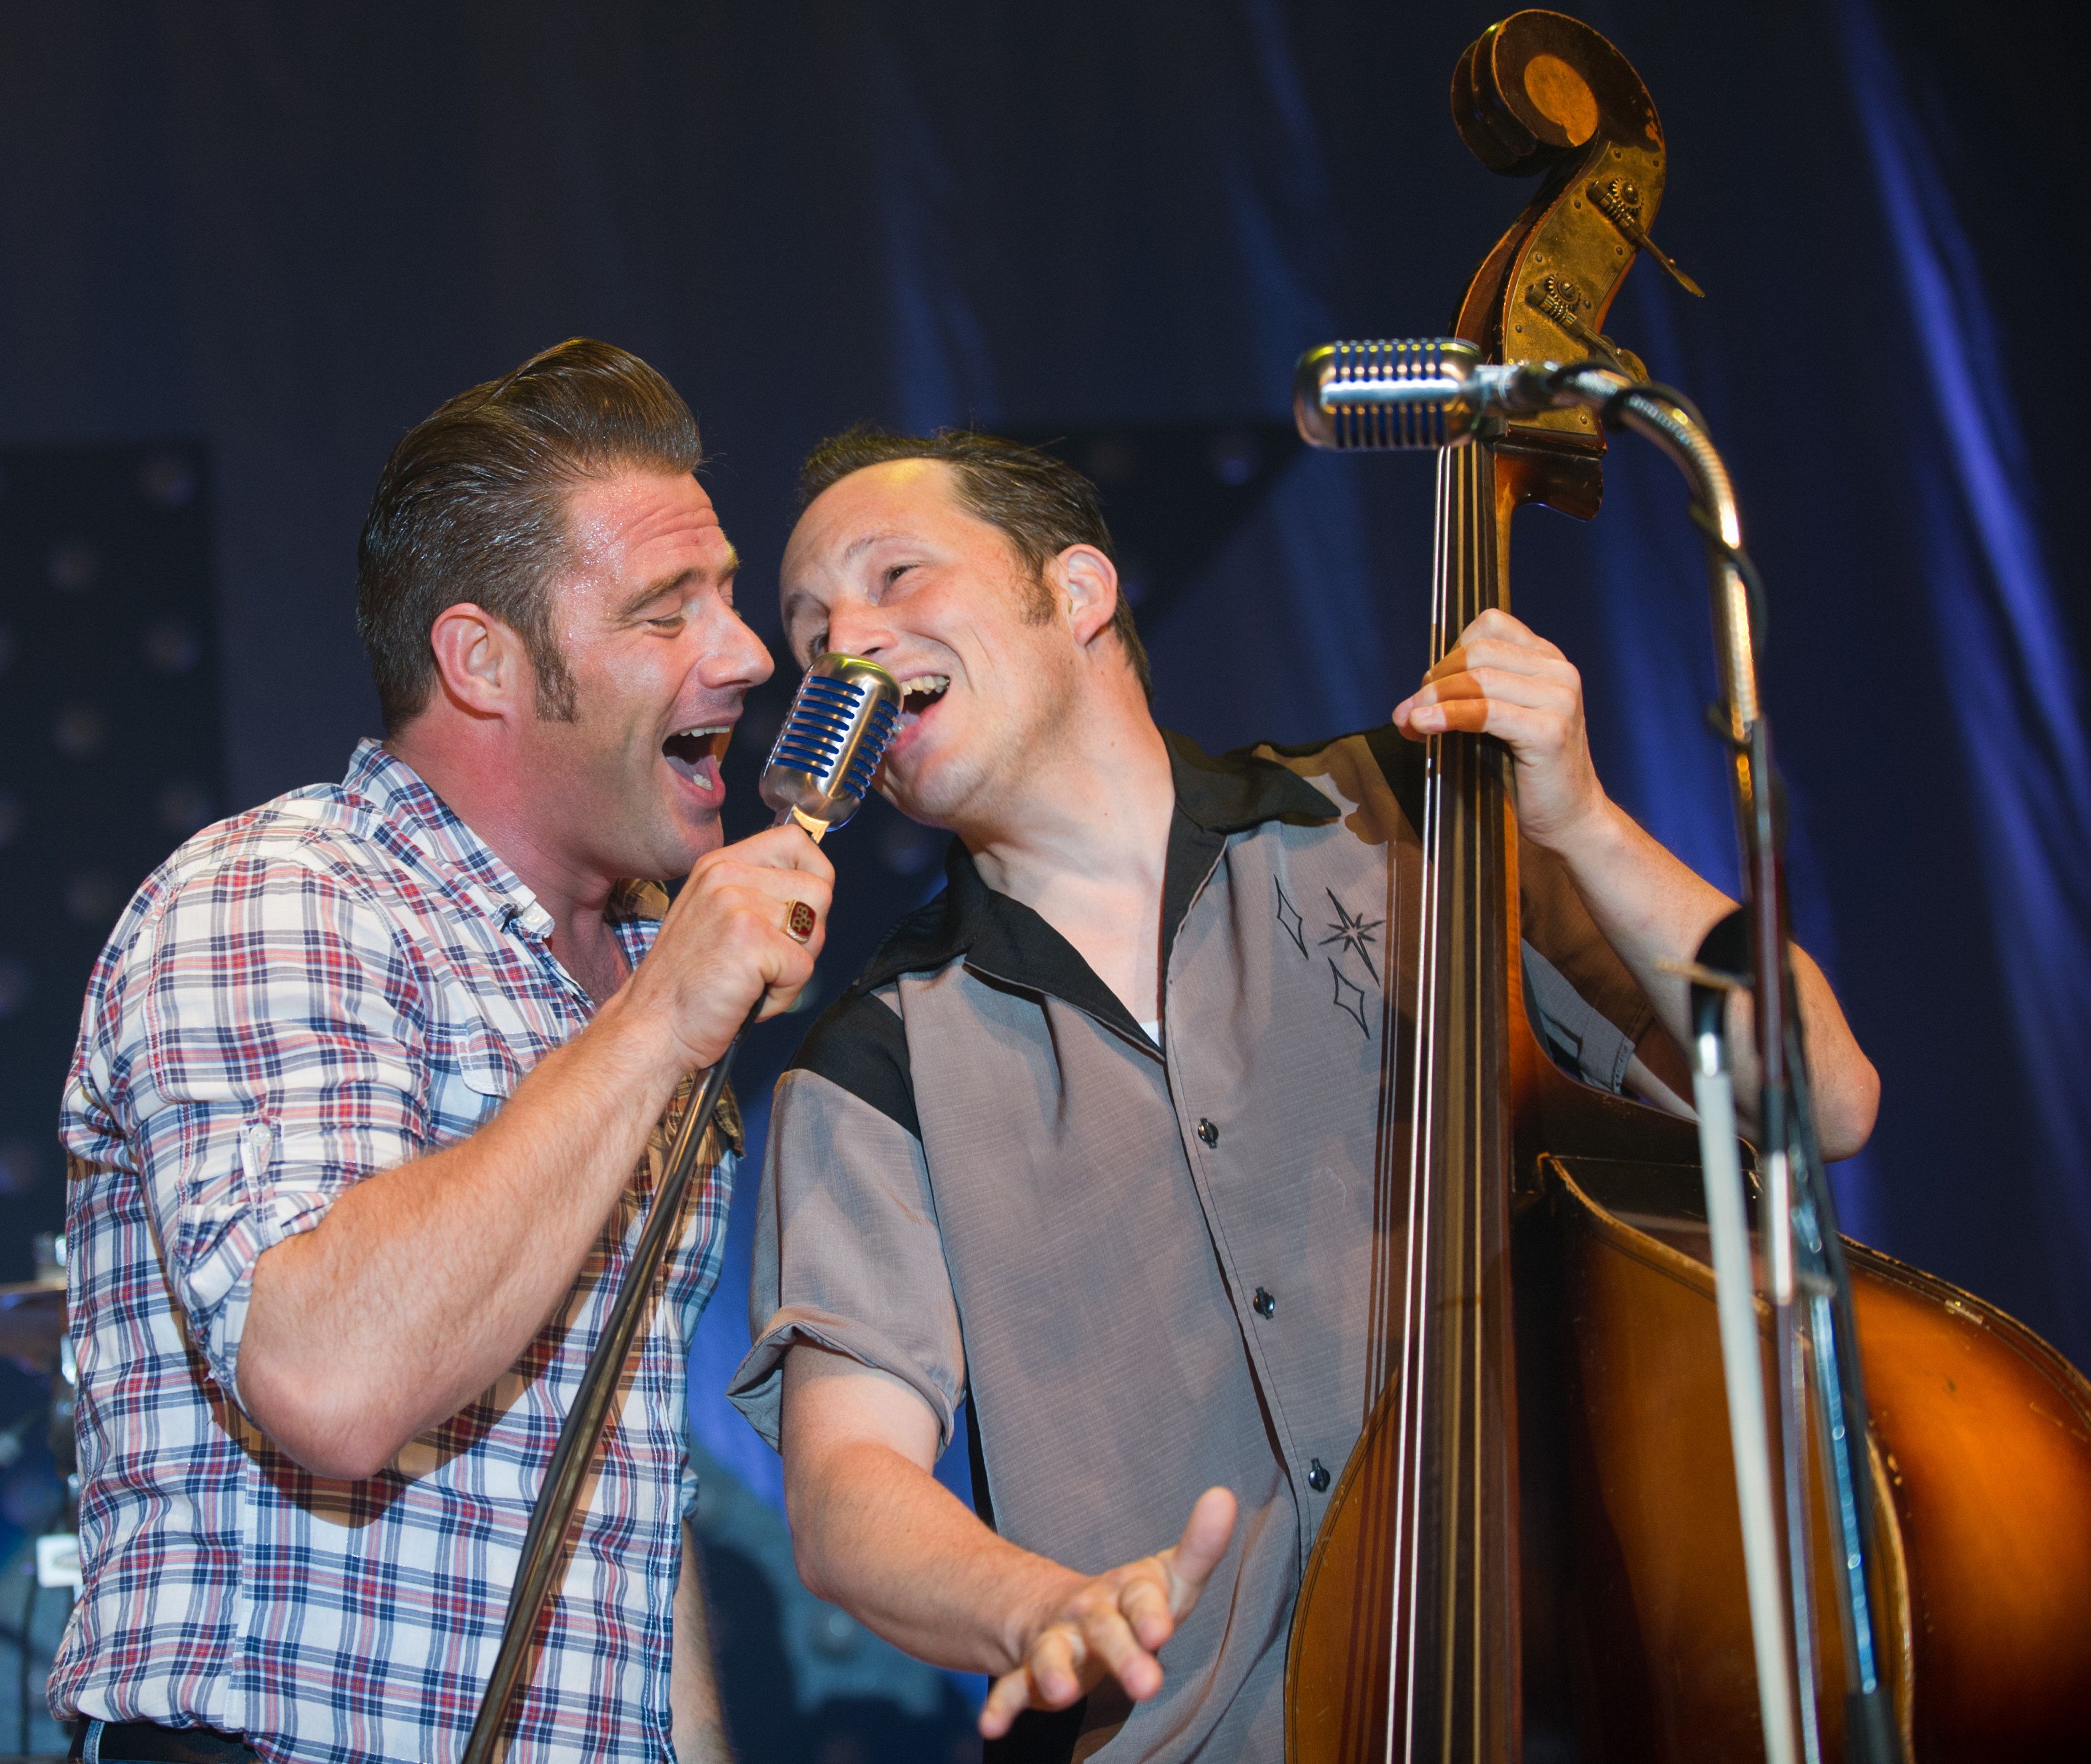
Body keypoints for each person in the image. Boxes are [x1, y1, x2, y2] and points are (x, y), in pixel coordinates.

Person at [730, 429, 1881, 1761]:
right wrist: (1036, 1603)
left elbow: (1824, 1099)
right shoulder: (871, 1062)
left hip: (1565, 1699)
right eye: (812, 633)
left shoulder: (1399, 818)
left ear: (1082, 592)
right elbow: (843, 1485)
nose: (844, 647)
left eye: (894, 577)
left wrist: (1578, 821)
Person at [49, 340, 834, 1764]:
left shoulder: (636, 980)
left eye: (725, 594)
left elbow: (609, 1519)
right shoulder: (286, 889)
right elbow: (329, 1380)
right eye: (668, 609)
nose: (746, 653)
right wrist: (656, 1030)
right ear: (482, 660)